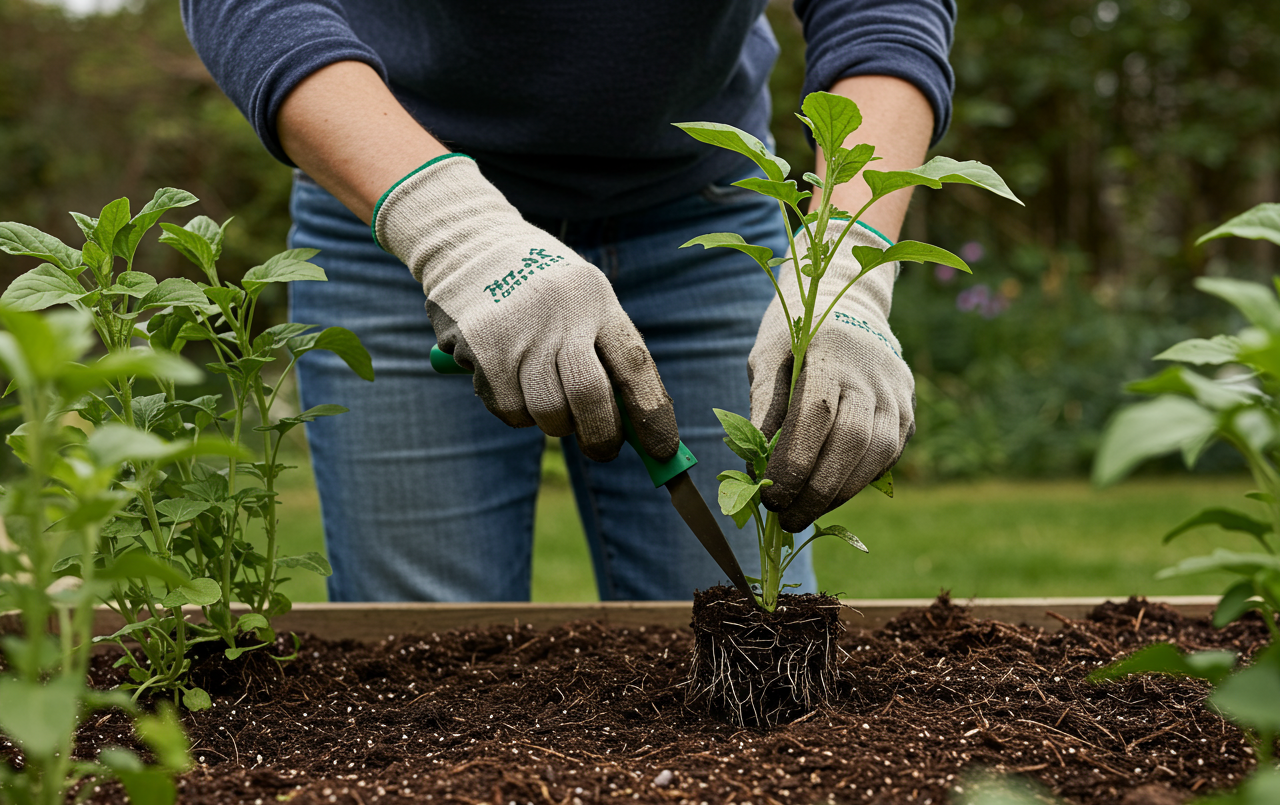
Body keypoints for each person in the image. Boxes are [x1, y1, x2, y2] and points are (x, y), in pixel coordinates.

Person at [180, 2, 955, 603]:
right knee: (421, 666)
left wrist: (846, 265)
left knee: (745, 629)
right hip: (399, 198)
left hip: (698, 215)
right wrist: (456, 233)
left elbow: (882, 13)